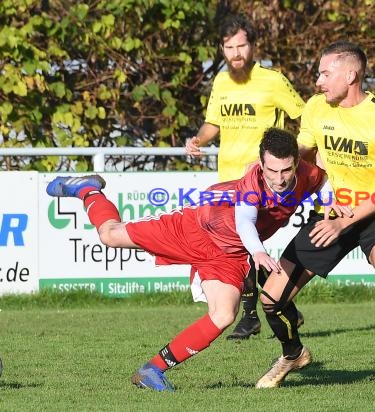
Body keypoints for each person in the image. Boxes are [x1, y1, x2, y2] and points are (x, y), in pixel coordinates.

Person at [46, 128, 346, 392]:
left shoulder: (307, 173)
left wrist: (329, 200)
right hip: (195, 227)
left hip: (228, 252)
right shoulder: (252, 184)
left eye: (286, 171)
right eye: (271, 171)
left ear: (296, 162)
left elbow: (321, 181)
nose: (278, 179)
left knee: (224, 315)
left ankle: (152, 370)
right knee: (110, 235)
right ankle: (86, 188)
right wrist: (257, 251)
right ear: (261, 164)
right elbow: (244, 221)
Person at [254, 41, 375, 394]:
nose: (318, 81)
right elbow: (303, 154)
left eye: (325, 73)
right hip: (331, 211)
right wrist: (270, 163)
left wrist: (345, 222)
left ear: (351, 75)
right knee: (271, 298)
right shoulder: (315, 107)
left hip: (373, 212)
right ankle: (293, 354)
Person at [185, 13, 306, 340]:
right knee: (240, 245)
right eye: (229, 47)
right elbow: (213, 123)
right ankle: (279, 307)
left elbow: (304, 117)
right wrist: (198, 140)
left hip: (262, 180)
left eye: (241, 45)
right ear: (222, 49)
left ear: (253, 47)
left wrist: (298, 159)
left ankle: (252, 313)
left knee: (243, 244)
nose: (236, 53)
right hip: (227, 178)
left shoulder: (273, 81)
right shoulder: (222, 83)